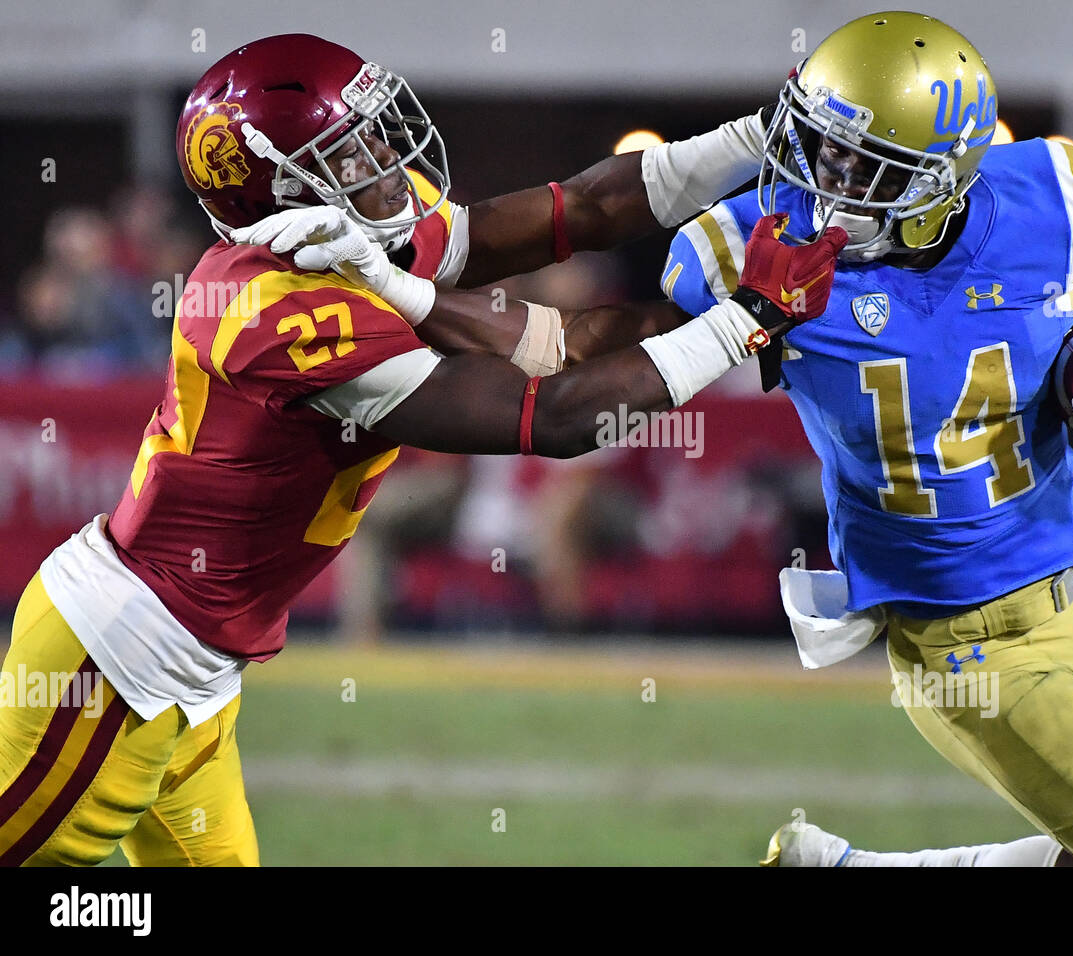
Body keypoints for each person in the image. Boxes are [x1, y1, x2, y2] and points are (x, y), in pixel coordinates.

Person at [0, 32, 847, 866]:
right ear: (283, 188)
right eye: (350, 144)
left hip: (196, 669)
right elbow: (552, 413)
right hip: (119, 663)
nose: (385, 150)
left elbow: (583, 209)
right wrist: (747, 321)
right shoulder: (272, 310)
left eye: (372, 124)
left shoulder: (348, 240)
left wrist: (762, 135)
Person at [661, 12, 1073, 867]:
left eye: (866, 164)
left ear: (939, 181)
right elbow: (612, 348)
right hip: (966, 644)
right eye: (826, 149)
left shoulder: (1050, 197)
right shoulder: (758, 249)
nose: (832, 180)